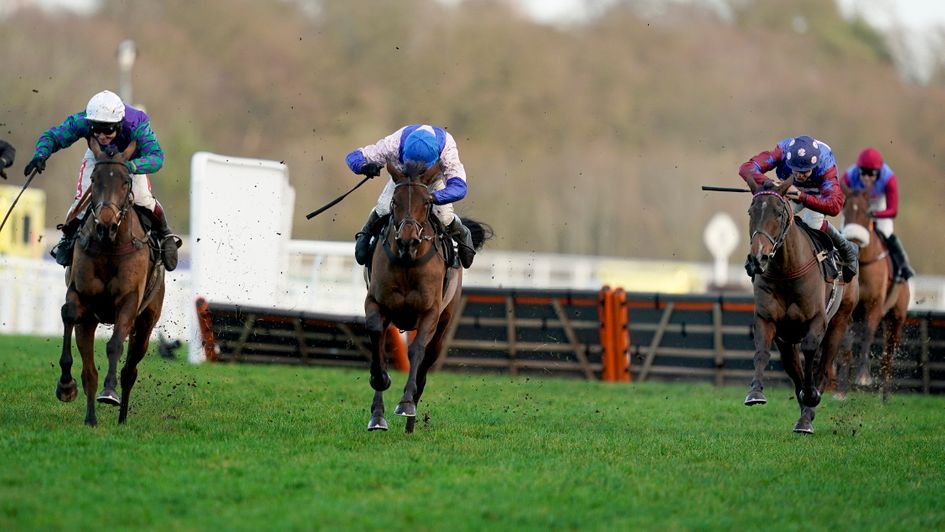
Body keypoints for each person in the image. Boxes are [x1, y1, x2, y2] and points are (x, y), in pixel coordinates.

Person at [23, 90, 181, 270]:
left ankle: (165, 233)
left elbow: (157, 157)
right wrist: (41, 154)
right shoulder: (83, 121)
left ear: (120, 124)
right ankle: (68, 238)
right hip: (98, 157)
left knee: (142, 198)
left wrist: (130, 167)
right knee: (80, 202)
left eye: (107, 130)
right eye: (96, 129)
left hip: (130, 160)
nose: (101, 136)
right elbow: (53, 136)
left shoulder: (137, 123)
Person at [345, 124, 476, 268]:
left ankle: (463, 232)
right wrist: (363, 167)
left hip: (432, 182)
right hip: (402, 179)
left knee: (444, 217)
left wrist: (433, 197)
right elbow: (354, 156)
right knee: (383, 208)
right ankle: (367, 232)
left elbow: (459, 187)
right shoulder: (393, 144)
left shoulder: (447, 149)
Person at [739, 135, 858, 283]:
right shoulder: (781, 151)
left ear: (814, 166)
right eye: (795, 171)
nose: (800, 176)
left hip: (817, 193)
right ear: (788, 161)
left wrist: (802, 196)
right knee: (772, 212)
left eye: (805, 172)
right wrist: (772, 184)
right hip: (789, 188)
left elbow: (834, 206)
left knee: (811, 222)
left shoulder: (825, 165)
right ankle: (758, 255)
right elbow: (746, 168)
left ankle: (847, 249)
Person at [842, 147, 915, 281]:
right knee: (845, 231)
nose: (866, 177)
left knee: (886, 232)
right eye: (863, 172)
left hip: (879, 203)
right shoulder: (850, 175)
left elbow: (893, 211)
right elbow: (839, 196)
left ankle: (902, 266)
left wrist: (874, 214)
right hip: (858, 203)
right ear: (858, 169)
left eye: (871, 174)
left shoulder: (889, 178)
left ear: (879, 172)